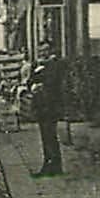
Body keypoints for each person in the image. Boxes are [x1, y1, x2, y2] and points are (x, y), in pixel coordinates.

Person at [30, 44, 67, 177]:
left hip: (51, 106)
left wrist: (40, 82)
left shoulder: (55, 65)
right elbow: (31, 81)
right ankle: (52, 165)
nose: (42, 53)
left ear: (50, 51)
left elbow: (52, 83)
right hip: (41, 105)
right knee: (46, 136)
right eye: (40, 50)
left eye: (45, 50)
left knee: (50, 136)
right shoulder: (38, 65)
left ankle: (52, 166)